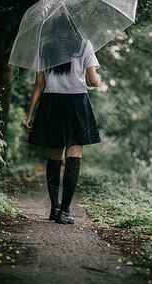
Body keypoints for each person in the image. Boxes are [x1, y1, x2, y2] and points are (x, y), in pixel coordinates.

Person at [25, 40, 101, 225]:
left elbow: (38, 84)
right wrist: (98, 81)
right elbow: (93, 80)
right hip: (76, 102)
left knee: (54, 156)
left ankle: (55, 208)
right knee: (74, 155)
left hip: (51, 103)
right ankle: (65, 211)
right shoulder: (84, 45)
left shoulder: (45, 46)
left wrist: (30, 115)